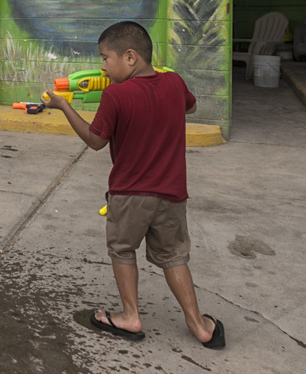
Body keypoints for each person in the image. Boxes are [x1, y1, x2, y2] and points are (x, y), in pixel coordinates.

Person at [43, 21, 225, 350]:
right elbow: (191, 105)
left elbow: (96, 141)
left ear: (130, 57)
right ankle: (199, 325)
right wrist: (165, 82)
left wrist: (63, 106)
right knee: (174, 256)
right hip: (172, 194)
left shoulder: (116, 94)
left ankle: (130, 316)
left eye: (104, 58)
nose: (101, 67)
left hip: (129, 195)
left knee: (122, 251)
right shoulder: (173, 83)